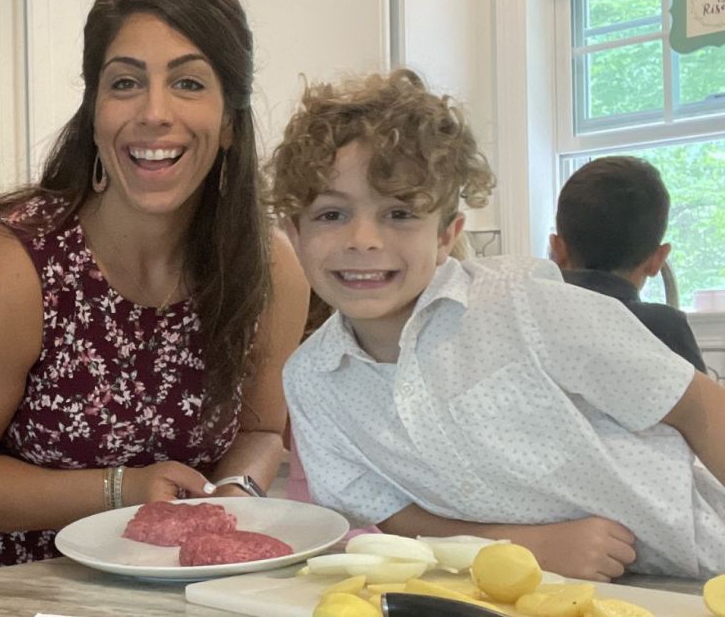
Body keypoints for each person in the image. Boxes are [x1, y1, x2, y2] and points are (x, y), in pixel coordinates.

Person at [0, 0, 309, 579]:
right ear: (95, 112)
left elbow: (264, 427)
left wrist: (234, 493)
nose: (154, 112)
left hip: (164, 588)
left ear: (229, 124)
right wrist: (124, 490)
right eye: (125, 83)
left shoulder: (269, 267)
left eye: (189, 82)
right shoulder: (17, 265)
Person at [269, 68, 725, 582]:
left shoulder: (527, 306)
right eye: (331, 215)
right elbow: (382, 510)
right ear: (294, 232)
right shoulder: (311, 382)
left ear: (447, 235)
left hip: (701, 562)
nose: (364, 240)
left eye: (399, 213)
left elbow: (699, 405)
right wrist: (522, 547)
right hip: (538, 586)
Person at [550, 155, 706, 373]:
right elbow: (706, 407)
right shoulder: (664, 328)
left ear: (557, 249)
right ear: (657, 260)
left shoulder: (535, 318)